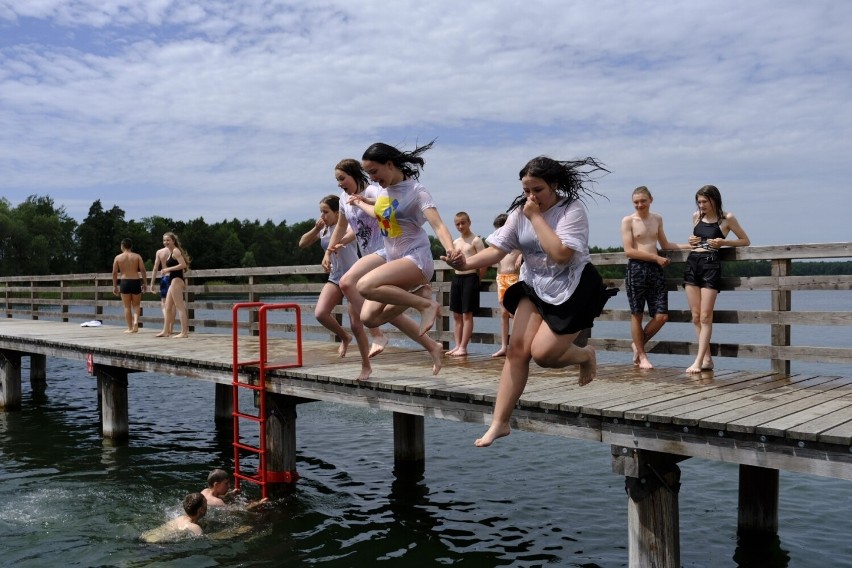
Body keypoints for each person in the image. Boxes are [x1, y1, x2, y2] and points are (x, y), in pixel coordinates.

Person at [445, 156, 616, 447]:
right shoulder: (518, 214)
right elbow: (495, 250)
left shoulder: (571, 211)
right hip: (536, 285)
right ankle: (499, 423)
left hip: (572, 287)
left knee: (544, 355)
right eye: (527, 191)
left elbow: (561, 254)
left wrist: (536, 217)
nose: (531, 197)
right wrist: (465, 264)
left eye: (538, 190)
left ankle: (585, 355)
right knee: (517, 351)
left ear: (555, 185)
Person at [347, 141, 459, 375]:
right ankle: (419, 297)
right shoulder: (378, 192)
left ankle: (426, 304)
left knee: (364, 285)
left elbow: (437, 225)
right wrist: (361, 201)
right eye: (369, 174)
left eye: (374, 172)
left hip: (416, 258)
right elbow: (380, 214)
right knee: (369, 318)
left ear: (390, 164)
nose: (373, 178)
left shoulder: (417, 191)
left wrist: (451, 250)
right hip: (395, 261)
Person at [323, 159, 389, 381]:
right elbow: (343, 227)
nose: (340, 184)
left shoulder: (373, 189)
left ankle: (378, 334)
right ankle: (366, 365)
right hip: (367, 256)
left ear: (354, 175)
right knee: (355, 321)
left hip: (385, 252)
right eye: (337, 180)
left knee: (347, 283)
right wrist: (328, 252)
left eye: (342, 178)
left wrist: (361, 202)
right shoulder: (343, 198)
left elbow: (383, 214)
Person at [684, 185, 750, 374]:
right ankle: (707, 359)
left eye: (705, 201)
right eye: (699, 201)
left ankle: (698, 361)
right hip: (692, 263)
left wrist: (723, 242)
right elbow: (696, 238)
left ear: (715, 200)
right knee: (696, 316)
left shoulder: (727, 218)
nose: (701, 205)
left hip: (711, 265)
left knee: (706, 316)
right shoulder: (696, 216)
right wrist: (691, 241)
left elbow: (745, 240)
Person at [620, 186, 685, 369]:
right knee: (637, 314)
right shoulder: (628, 221)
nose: (639, 205)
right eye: (636, 202)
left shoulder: (657, 218)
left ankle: (637, 344)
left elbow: (665, 244)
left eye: (643, 201)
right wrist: (656, 257)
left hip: (655, 270)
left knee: (662, 316)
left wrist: (690, 246)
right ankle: (642, 356)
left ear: (650, 200)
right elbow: (629, 251)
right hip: (637, 269)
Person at [299, 195, 360, 358]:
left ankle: (366, 356)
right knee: (320, 313)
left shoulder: (347, 226)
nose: (322, 216)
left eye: (325, 212)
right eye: (321, 212)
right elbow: (302, 243)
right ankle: (345, 337)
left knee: (356, 322)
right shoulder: (324, 230)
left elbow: (352, 234)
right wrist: (316, 229)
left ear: (337, 213)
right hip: (335, 278)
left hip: (353, 277)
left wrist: (331, 250)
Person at [446, 212, 485, 357]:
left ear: (469, 222)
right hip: (457, 278)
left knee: (467, 315)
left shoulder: (476, 241)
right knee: (456, 315)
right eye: (457, 224)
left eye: (463, 223)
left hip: (471, 278)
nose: (461, 226)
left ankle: (463, 346)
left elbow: (484, 262)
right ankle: (457, 346)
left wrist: (478, 278)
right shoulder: (455, 242)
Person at [488, 213, 522, 357]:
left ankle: (514, 345)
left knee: (514, 313)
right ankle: (503, 346)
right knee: (503, 313)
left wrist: (521, 255)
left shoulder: (517, 242)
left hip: (514, 277)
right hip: (501, 277)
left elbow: (527, 250)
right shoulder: (496, 243)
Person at [155, 232, 191, 338]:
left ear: (173, 241)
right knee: (167, 307)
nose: (166, 242)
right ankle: (165, 331)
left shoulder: (175, 251)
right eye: (164, 240)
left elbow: (183, 265)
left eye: (168, 240)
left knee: (179, 306)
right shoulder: (171, 253)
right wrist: (167, 270)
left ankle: (184, 332)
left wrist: (167, 269)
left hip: (177, 280)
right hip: (172, 280)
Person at [111, 238, 147, 333]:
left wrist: (114, 286)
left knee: (127, 306)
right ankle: (135, 322)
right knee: (136, 305)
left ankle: (130, 328)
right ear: (131, 246)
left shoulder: (118, 257)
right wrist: (145, 283)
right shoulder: (137, 256)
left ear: (122, 246)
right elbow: (142, 270)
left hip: (124, 282)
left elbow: (114, 273)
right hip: (135, 281)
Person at [140, 492, 207, 542]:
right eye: (206, 504)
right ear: (201, 510)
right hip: (156, 546)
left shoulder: (179, 518)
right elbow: (204, 540)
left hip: (146, 537)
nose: (207, 507)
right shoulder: (195, 527)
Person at [150, 241, 175, 336]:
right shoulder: (176, 250)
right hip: (174, 278)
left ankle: (167, 324)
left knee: (164, 303)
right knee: (173, 305)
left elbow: (155, 268)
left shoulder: (160, 252)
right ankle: (171, 328)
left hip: (165, 278)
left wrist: (152, 283)